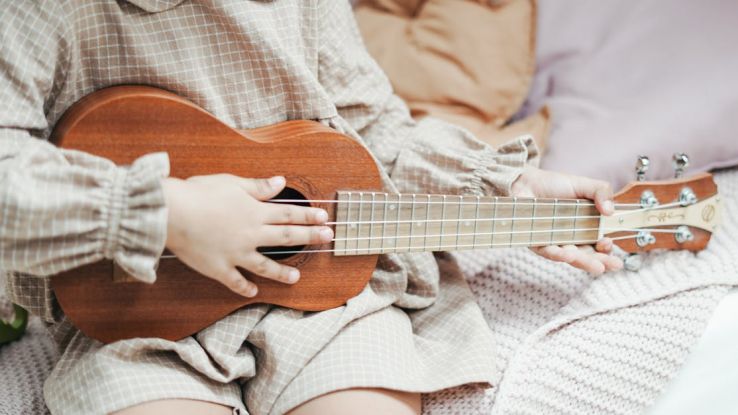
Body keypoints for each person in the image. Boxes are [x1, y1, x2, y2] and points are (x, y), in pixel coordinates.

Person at [0, 1, 622, 414]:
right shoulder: (40, 14)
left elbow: (376, 131)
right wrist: (170, 212)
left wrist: (503, 189)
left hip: (326, 301)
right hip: (139, 315)